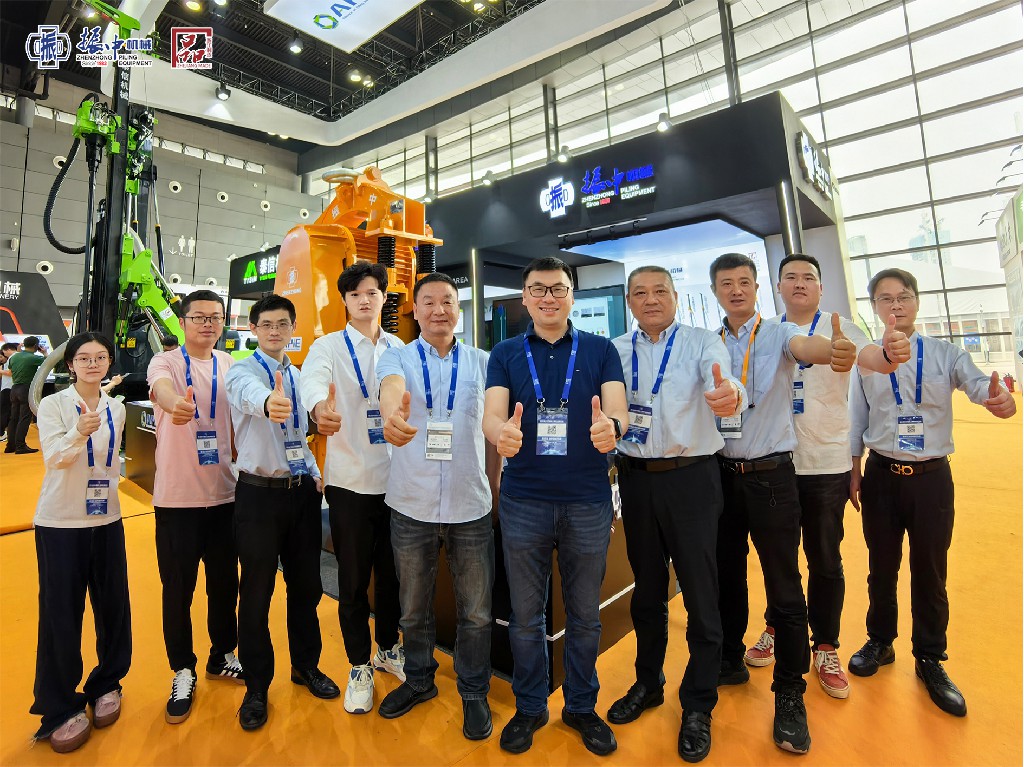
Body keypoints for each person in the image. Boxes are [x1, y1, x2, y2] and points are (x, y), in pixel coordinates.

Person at [847, 268, 1016, 717]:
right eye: (885, 299)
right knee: (881, 567)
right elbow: (857, 415)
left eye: (903, 296)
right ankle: (880, 641)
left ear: (917, 302)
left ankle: (930, 657)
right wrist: (854, 468)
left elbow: (977, 384)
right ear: (875, 308)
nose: (895, 305)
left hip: (931, 480)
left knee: (930, 571)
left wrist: (996, 398)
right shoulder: (867, 359)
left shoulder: (946, 354)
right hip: (881, 476)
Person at [742, 253, 910, 700]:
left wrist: (889, 354)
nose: (800, 283)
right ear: (778, 287)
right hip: (774, 464)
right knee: (778, 559)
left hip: (825, 465)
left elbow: (873, 358)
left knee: (824, 559)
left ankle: (826, 645)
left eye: (809, 277)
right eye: (790, 277)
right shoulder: (765, 333)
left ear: (820, 287)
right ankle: (777, 626)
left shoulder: (843, 327)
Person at [709, 252, 855, 755]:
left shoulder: (775, 333)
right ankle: (729, 659)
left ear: (757, 288)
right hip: (721, 478)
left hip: (771, 477)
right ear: (716, 291)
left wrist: (835, 349)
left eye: (743, 282)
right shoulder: (708, 342)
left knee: (785, 587)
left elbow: (807, 346)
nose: (735, 290)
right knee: (727, 578)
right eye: (726, 283)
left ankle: (789, 693)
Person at [483, 256, 628, 757]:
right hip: (524, 500)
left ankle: (582, 706)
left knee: (585, 615)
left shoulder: (600, 349)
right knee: (526, 617)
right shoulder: (505, 352)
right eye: (538, 289)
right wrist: (499, 434)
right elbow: (492, 414)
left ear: (571, 296)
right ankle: (530, 707)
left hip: (587, 499)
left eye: (558, 288)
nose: (549, 297)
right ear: (525, 297)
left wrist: (613, 426)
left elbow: (617, 407)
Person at [606, 265, 746, 763]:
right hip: (636, 479)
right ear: (629, 300)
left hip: (692, 479)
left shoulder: (703, 342)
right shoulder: (615, 350)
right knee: (646, 592)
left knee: (702, 594)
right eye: (640, 292)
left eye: (660, 291)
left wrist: (731, 395)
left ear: (676, 297)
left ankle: (699, 703)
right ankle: (648, 682)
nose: (650, 299)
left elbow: (725, 380)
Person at [374, 272, 496, 741]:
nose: (439, 309)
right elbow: (390, 388)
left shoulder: (483, 362)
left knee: (477, 612)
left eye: (448, 301)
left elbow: (495, 421)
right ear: (415, 310)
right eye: (429, 301)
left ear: (458, 309)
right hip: (412, 503)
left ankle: (474, 691)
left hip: (470, 505)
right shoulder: (397, 356)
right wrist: (392, 415)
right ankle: (419, 680)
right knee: (413, 608)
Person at [225, 294, 338, 731]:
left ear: (293, 329)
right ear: (254, 329)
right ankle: (256, 686)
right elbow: (248, 395)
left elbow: (299, 436)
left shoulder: (298, 375)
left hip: (301, 493)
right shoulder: (243, 371)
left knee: (307, 587)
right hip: (258, 496)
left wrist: (314, 472)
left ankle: (305, 666)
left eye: (283, 324)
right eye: (267, 324)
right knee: (256, 592)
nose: (275, 331)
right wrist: (267, 403)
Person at [300, 261, 406, 715]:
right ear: (344, 300)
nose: (365, 300)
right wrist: (317, 409)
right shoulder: (328, 346)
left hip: (397, 483)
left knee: (393, 577)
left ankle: (388, 648)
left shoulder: (399, 348)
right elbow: (311, 381)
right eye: (356, 293)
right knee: (353, 580)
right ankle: (359, 664)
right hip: (349, 483)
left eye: (373, 292)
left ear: (384, 298)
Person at [30, 332, 130, 754]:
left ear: (109, 363)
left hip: (107, 518)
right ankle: (59, 705)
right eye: (84, 358)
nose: (93, 363)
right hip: (60, 522)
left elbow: (110, 463)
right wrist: (77, 432)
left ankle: (108, 682)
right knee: (60, 614)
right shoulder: (53, 404)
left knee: (113, 606)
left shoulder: (116, 408)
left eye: (100, 357)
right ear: (70, 364)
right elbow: (54, 458)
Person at [147, 290, 242, 725]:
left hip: (224, 497)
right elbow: (162, 390)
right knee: (178, 589)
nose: (208, 323)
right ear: (183, 322)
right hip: (178, 501)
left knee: (224, 586)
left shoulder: (230, 365)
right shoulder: (165, 362)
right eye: (199, 317)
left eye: (215, 317)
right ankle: (182, 668)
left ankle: (222, 655)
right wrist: (176, 406)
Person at [6, 336, 48, 454]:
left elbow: (10, 369)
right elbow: (49, 363)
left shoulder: (15, 357)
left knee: (13, 418)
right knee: (24, 418)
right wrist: (44, 352)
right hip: (26, 389)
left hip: (14, 388)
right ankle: (20, 446)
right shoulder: (33, 358)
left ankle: (10, 446)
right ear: (36, 346)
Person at [0, 341, 18, 442]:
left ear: (8, 350)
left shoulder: (13, 358)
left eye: (4, 352)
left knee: (4, 411)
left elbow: (11, 373)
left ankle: (1, 433)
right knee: (7, 411)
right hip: (9, 387)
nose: (4, 354)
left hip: (8, 387)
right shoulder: (14, 358)